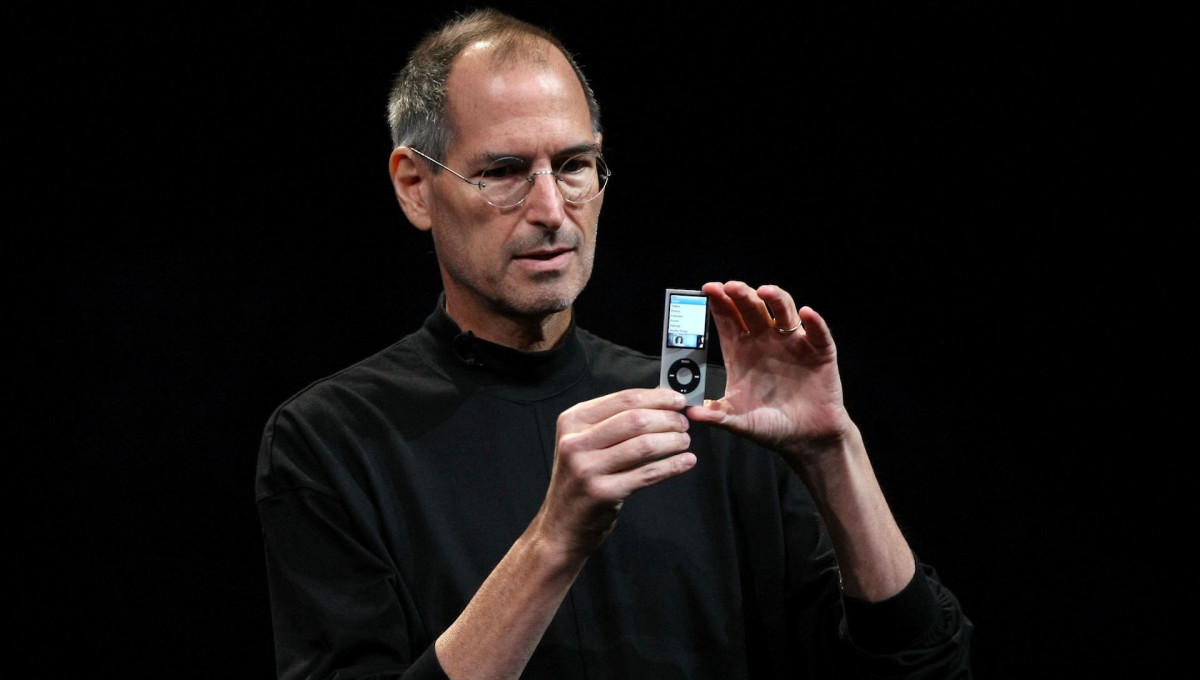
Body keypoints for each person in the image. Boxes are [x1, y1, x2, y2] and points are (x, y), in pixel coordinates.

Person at [255, 8, 973, 679]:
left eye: (573, 166)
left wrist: (833, 454)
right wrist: (553, 542)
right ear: (416, 186)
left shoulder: (715, 416)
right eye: (503, 172)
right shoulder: (330, 440)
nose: (550, 210)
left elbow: (928, 664)